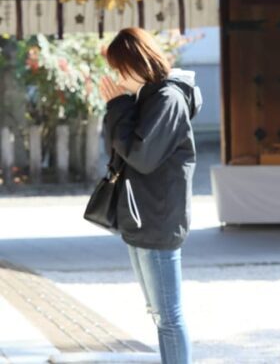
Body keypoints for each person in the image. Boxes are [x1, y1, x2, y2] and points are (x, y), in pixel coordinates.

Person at [100, 27, 202, 364]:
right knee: (158, 313)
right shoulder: (147, 96)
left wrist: (117, 105)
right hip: (143, 215)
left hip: (158, 217)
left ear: (136, 62)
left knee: (168, 316)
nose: (116, 77)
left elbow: (141, 157)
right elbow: (119, 150)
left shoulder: (167, 98)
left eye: (119, 68)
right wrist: (119, 105)